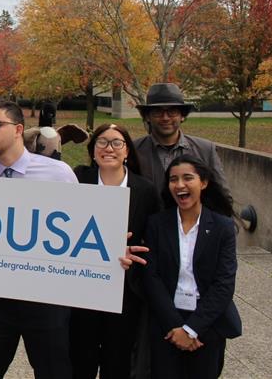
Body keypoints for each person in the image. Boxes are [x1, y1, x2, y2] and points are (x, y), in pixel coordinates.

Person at [0, 101, 78, 379]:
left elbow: (79, 229)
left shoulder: (58, 173)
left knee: (54, 370)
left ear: (18, 129)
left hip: (46, 296)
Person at [70, 123, 160, 379]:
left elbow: (155, 241)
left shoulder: (145, 190)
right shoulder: (77, 180)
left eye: (116, 143)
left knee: (117, 361)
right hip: (82, 291)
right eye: (102, 142)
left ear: (127, 151)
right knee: (80, 359)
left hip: (125, 292)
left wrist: (135, 253)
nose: (109, 148)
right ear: (92, 149)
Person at [143, 155, 241, 379]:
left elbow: (224, 283)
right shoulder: (157, 224)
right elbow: (152, 277)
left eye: (188, 178)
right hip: (167, 323)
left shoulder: (222, 227)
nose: (180, 185)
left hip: (207, 323)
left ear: (203, 183)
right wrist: (176, 327)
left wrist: (191, 329)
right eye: (173, 179)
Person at [134, 83, 234, 210]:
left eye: (172, 112)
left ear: (182, 116)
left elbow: (223, 197)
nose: (165, 118)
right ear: (147, 117)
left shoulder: (205, 150)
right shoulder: (133, 150)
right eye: (158, 112)